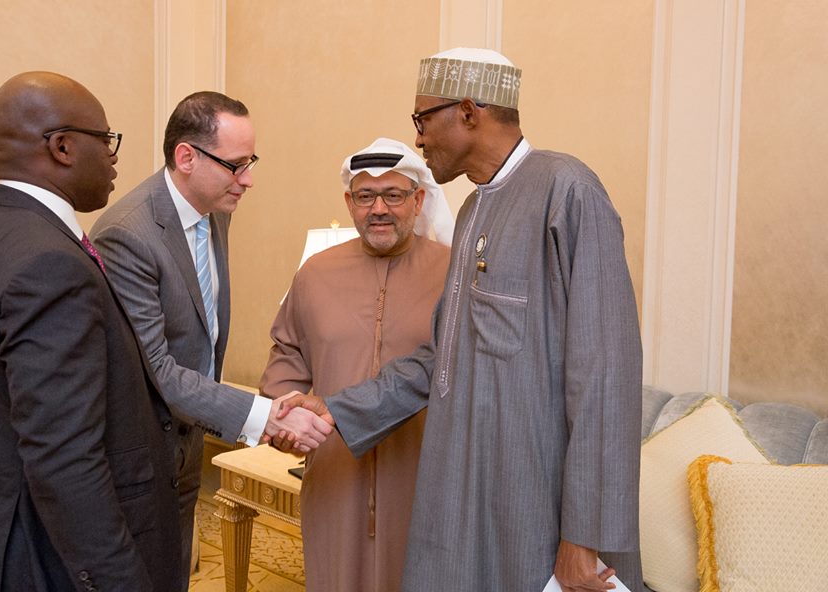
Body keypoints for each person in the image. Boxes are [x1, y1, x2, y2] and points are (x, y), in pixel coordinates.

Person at [275, 48, 644, 592]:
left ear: (469, 112)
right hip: (463, 497)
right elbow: (442, 356)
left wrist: (582, 539)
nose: (418, 139)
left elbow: (606, 379)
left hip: (535, 508)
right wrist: (335, 405)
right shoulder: (473, 211)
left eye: (423, 120)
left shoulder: (567, 191)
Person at [0, 71, 184, 591]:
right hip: (42, 556)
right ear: (63, 146)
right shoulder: (49, 262)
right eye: (107, 139)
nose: (114, 156)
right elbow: (64, 457)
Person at [90, 91, 332, 579]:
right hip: (140, 451)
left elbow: (202, 329)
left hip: (188, 441)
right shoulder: (127, 235)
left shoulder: (215, 209)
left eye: (251, 162)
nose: (248, 179)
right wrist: (264, 416)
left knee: (176, 571)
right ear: (186, 158)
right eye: (236, 165)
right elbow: (157, 368)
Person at [260, 138, 453, 592]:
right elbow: (287, 355)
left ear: (419, 200)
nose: (379, 209)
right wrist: (287, 419)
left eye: (394, 195)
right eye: (365, 196)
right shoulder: (315, 273)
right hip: (334, 478)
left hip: (425, 481)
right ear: (349, 203)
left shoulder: (453, 273)